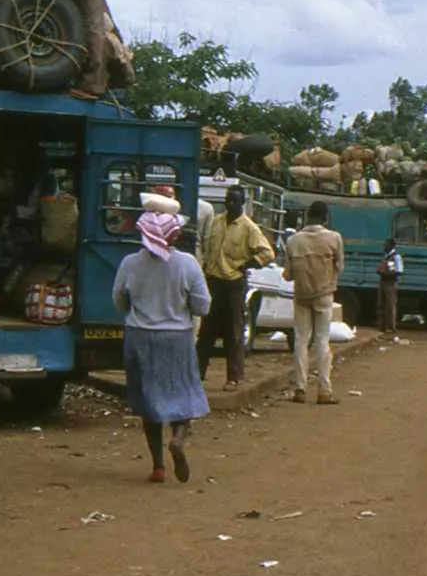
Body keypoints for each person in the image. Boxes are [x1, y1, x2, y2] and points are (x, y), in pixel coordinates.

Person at [112, 203, 211, 483]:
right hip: (176, 339)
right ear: (175, 235)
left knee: (149, 402)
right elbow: (203, 306)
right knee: (183, 394)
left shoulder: (130, 263)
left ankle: (158, 466)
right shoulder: (188, 264)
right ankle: (178, 438)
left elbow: (119, 301)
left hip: (139, 337)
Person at [196, 185, 274, 391]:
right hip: (213, 281)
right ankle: (197, 374)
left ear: (242, 203)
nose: (230, 204)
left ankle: (234, 378)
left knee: (234, 332)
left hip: (233, 284)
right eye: (227, 200)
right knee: (206, 331)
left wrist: (246, 264)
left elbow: (267, 253)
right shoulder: (216, 222)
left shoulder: (249, 228)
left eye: (234, 201)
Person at [282, 200, 344, 404]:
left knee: (301, 341)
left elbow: (288, 275)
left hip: (301, 296)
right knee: (322, 341)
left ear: (308, 216)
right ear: (325, 218)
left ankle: (300, 388)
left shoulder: (293, 241)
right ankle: (324, 390)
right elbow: (340, 267)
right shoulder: (334, 238)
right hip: (324, 295)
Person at [376, 237, 404, 338]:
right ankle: (382, 326)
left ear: (391, 246)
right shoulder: (386, 256)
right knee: (381, 304)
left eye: (386, 244)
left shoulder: (396, 257)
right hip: (383, 282)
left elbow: (399, 271)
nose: (384, 246)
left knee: (390, 305)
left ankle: (390, 327)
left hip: (391, 283)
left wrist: (386, 272)